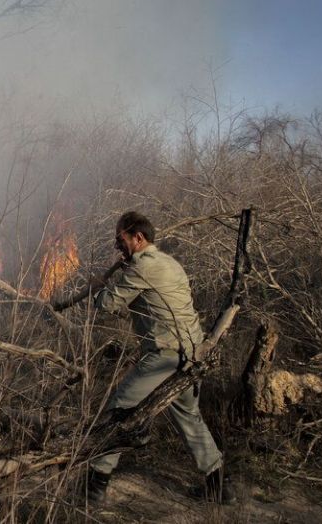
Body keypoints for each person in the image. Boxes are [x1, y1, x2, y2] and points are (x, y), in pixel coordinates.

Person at [76, 211, 234, 505]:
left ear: (139, 237)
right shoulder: (168, 263)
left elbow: (109, 304)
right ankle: (220, 487)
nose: (116, 246)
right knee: (190, 418)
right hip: (191, 355)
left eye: (120, 239)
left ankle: (94, 486)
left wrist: (97, 288)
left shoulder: (144, 268)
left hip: (166, 356)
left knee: (119, 411)